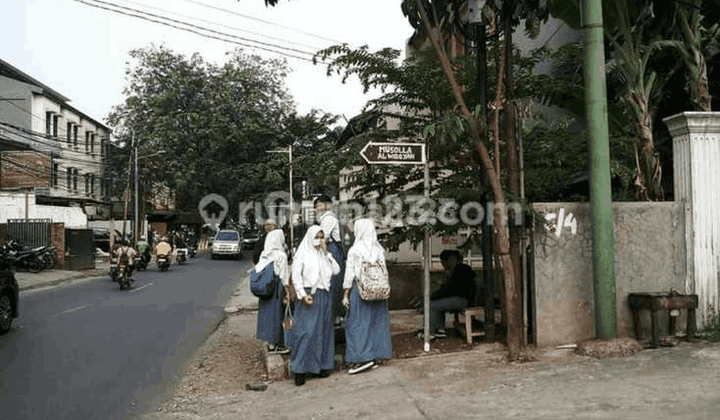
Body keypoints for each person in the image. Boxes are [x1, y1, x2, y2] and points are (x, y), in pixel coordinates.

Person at [287, 225, 340, 386]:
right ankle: (300, 370)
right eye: (317, 237)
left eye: (322, 237)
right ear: (310, 237)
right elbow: (296, 277)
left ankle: (323, 366)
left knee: (324, 331)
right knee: (306, 333)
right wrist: (303, 295)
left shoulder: (324, 255)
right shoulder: (302, 254)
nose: (319, 240)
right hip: (309, 296)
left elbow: (336, 270)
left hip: (324, 296)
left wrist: (327, 254)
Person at [342, 218, 392, 374]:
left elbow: (350, 274)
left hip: (361, 291)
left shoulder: (355, 250)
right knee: (376, 323)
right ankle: (375, 354)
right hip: (379, 292)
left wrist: (345, 294)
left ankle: (362, 358)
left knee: (357, 324)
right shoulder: (378, 250)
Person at [425, 249, 477, 339]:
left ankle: (436, 330)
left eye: (444, 261)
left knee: (432, 305)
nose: (443, 264)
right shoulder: (457, 269)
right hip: (461, 298)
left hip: (463, 300)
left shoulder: (459, 270)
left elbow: (449, 290)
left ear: (451, 259)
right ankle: (439, 328)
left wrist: (433, 297)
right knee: (437, 303)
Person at [255, 229, 291, 354]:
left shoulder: (264, 254)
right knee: (278, 315)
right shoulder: (281, 256)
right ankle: (277, 344)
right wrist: (287, 292)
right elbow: (284, 277)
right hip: (276, 290)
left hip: (266, 290)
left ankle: (270, 344)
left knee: (267, 316)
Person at [314, 195, 345, 324]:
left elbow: (324, 238)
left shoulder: (328, 218)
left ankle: (336, 315)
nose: (317, 208)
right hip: (329, 249)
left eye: (320, 205)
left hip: (332, 250)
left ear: (326, 205)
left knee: (333, 282)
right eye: (316, 206)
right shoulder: (324, 219)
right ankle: (333, 315)